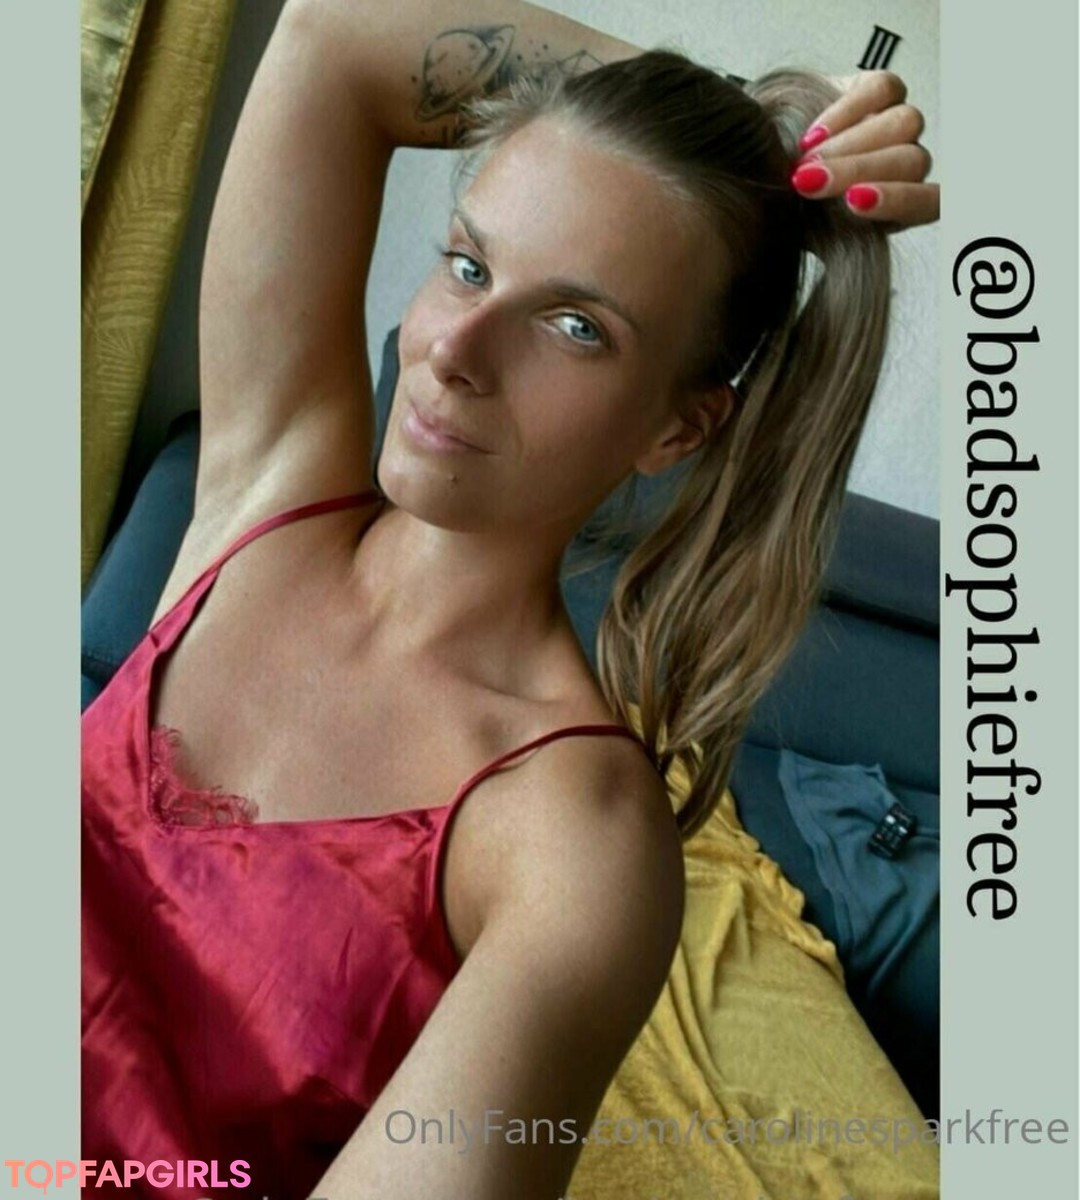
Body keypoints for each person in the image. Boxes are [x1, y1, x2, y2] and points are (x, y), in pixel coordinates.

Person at [81, 0, 938, 1196]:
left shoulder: (573, 843)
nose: (453, 349)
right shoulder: (268, 499)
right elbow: (333, 36)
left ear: (679, 428)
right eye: (470, 266)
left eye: (575, 326)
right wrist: (753, 132)